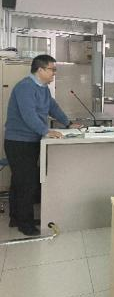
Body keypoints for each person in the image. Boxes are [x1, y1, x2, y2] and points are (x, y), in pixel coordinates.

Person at [4, 55, 81, 236]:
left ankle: (16, 218)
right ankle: (25, 224)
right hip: (18, 142)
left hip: (30, 141)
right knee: (26, 183)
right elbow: (28, 115)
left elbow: (53, 107)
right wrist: (46, 131)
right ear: (40, 70)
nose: (54, 73)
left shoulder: (43, 88)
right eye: (52, 69)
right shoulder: (25, 87)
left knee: (19, 181)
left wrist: (68, 123)